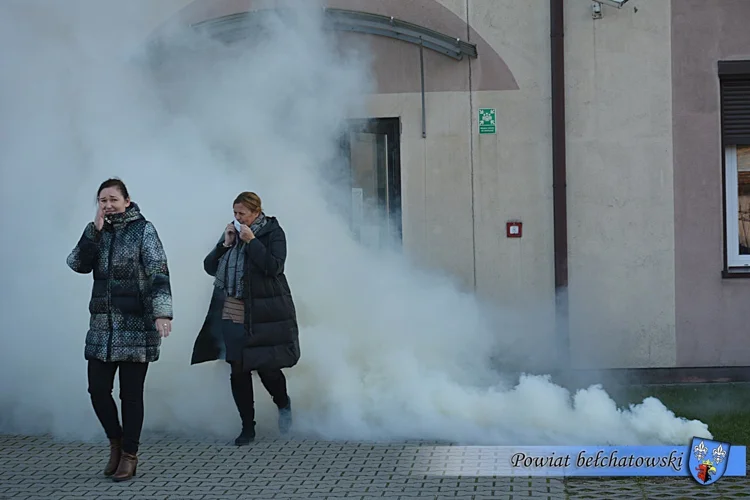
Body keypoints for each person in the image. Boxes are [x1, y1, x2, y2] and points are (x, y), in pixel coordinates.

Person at [67, 178, 173, 482]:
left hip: (136, 326)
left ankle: (129, 454)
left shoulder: (144, 230)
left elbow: (159, 272)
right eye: (103, 200)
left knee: (131, 395)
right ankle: (115, 442)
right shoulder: (97, 232)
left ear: (127, 201)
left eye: (113, 199)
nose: (108, 205)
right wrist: (93, 234)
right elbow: (76, 263)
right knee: (98, 391)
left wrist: (162, 312)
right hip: (102, 326)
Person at [191, 191, 300, 445]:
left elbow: (274, 267)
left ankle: (283, 404)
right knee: (237, 368)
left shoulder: (273, 232)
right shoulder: (233, 232)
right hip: (232, 309)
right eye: (235, 213)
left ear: (256, 213)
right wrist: (224, 244)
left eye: (242, 214)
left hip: (262, 312)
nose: (238, 218)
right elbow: (210, 267)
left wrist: (252, 242)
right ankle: (247, 427)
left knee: (266, 368)